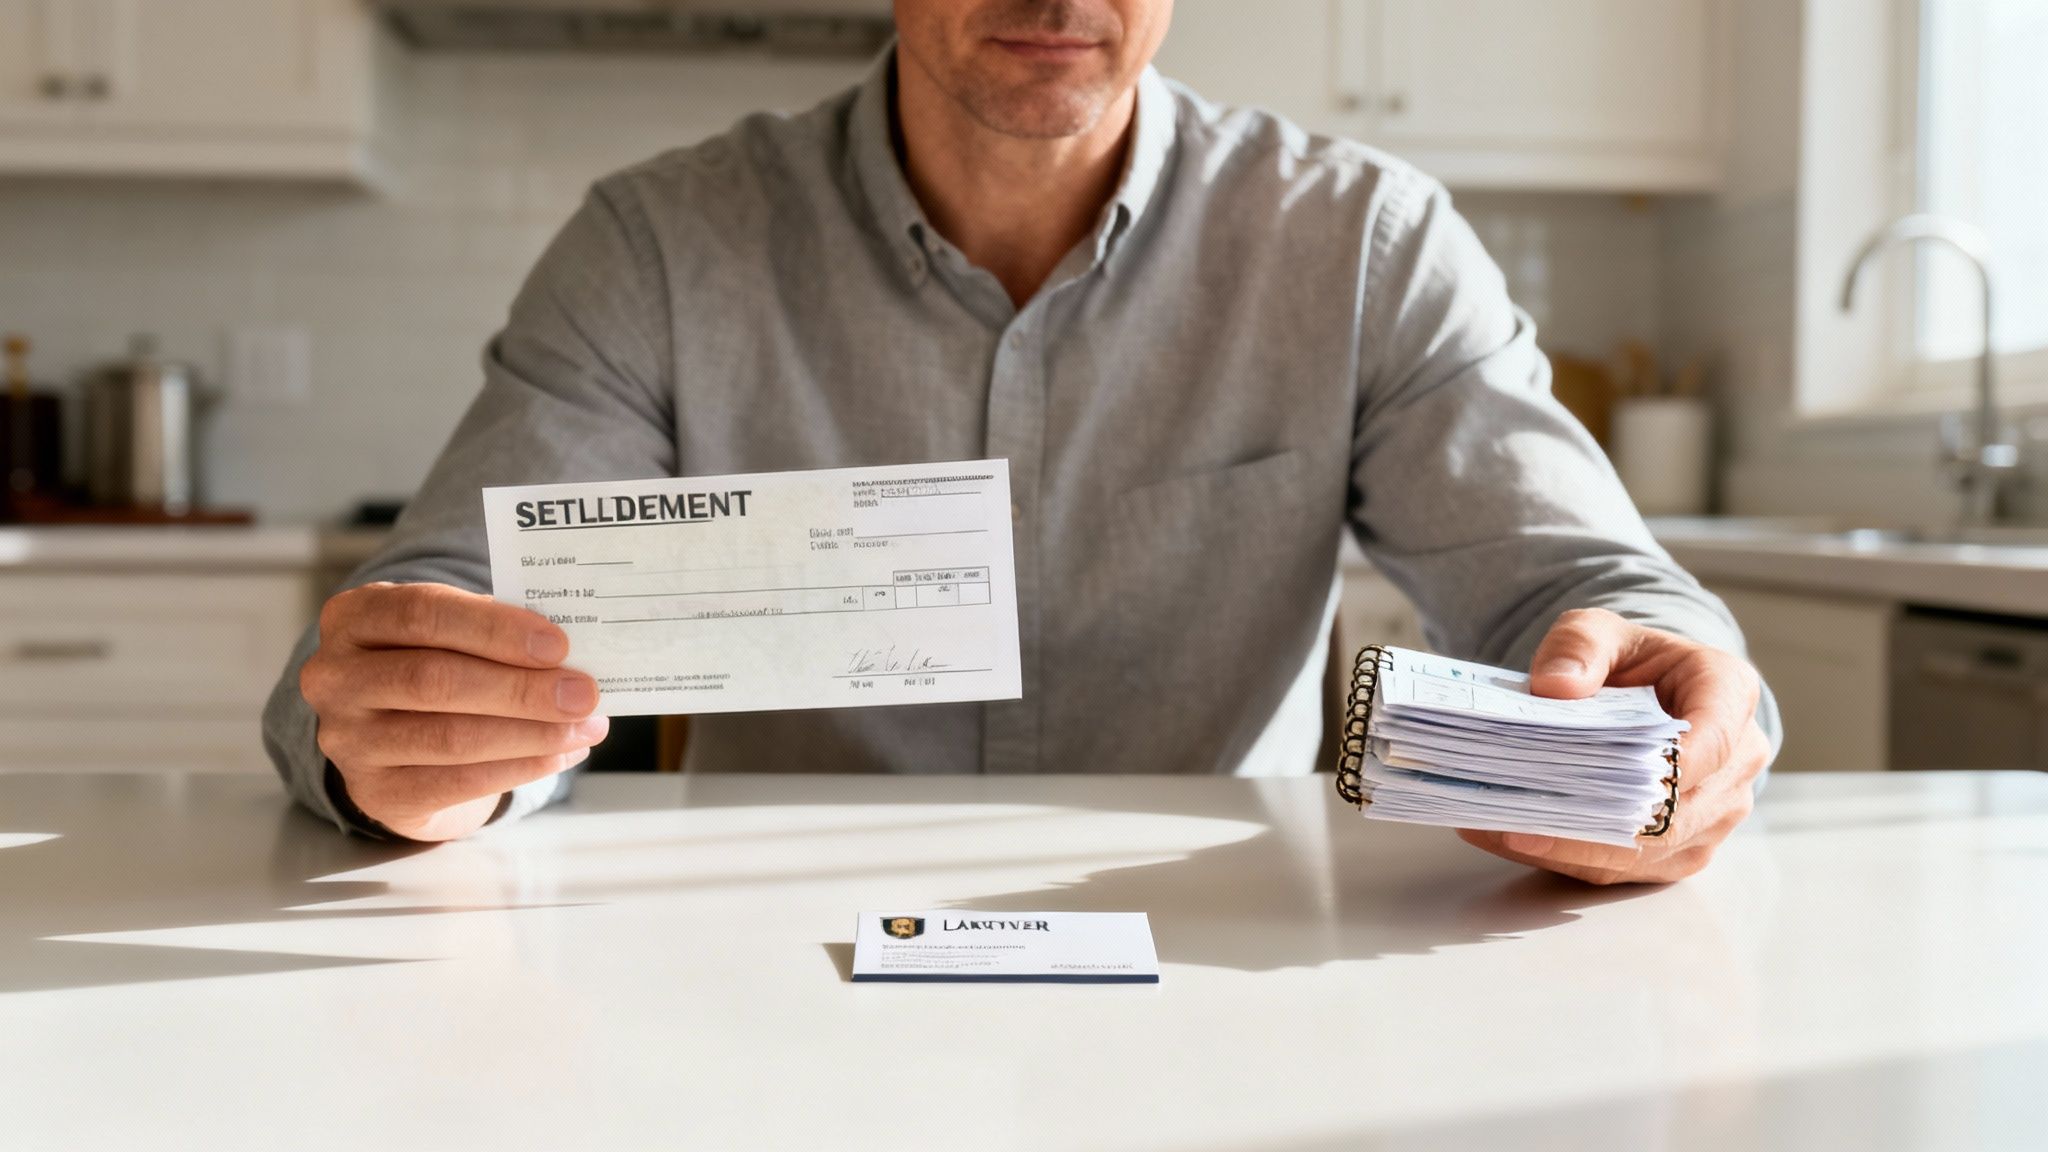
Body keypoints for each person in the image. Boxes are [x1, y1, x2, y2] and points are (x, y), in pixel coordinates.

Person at [266, 0, 1779, 884]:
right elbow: (451, 597)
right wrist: (414, 745)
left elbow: (1577, 585)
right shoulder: (660, 248)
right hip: (751, 940)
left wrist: (1672, 693)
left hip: (1214, 955)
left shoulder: (1363, 243)